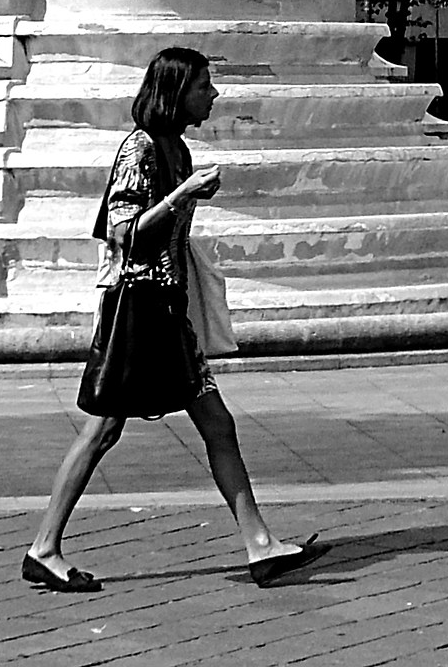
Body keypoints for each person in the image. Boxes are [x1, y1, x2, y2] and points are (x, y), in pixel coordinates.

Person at [23, 46, 326, 595]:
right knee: (104, 428)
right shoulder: (140, 149)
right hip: (139, 312)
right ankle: (43, 548)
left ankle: (259, 544)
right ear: (175, 91)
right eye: (203, 86)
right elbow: (124, 232)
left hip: (167, 312)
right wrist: (184, 194)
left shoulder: (176, 149)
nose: (213, 95)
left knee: (217, 424)